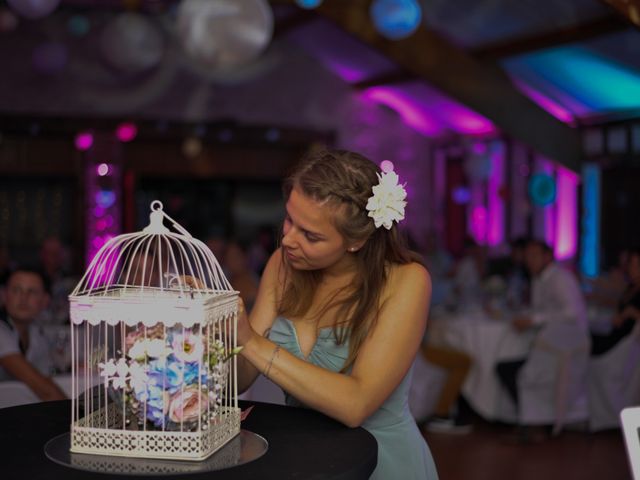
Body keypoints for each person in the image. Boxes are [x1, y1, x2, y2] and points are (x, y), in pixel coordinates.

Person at [235, 149, 439, 479]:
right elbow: (240, 379)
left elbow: (355, 404)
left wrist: (253, 343)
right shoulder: (283, 265)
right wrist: (216, 323)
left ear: (356, 241)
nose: (288, 239)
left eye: (310, 235)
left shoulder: (406, 281)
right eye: (289, 219)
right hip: (305, 457)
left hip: (380, 461)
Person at [495, 239, 587, 440]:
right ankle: (531, 420)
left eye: (534, 255)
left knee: (511, 368)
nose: (529, 260)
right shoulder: (539, 279)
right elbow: (541, 310)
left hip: (566, 348)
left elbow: (571, 313)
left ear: (547, 256)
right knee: (506, 364)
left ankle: (535, 423)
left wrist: (533, 319)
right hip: (549, 345)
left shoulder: (560, 279)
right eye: (527, 256)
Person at [0, 265, 66, 400]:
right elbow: (44, 390)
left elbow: (48, 376)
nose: (23, 298)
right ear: (4, 296)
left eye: (32, 292)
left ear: (45, 301)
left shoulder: (36, 333)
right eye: (16, 290)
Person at [591, 247, 640, 356]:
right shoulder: (630, 287)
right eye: (631, 264)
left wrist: (630, 313)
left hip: (627, 342)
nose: (632, 268)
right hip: (615, 333)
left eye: (637, 265)